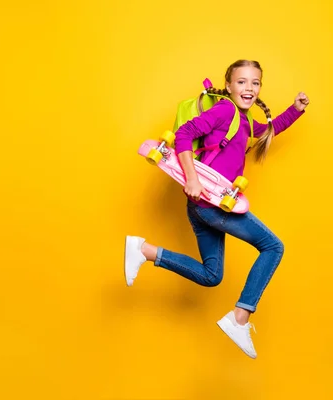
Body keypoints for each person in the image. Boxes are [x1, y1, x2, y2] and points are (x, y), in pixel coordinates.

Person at [124, 59, 309, 359]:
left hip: (202, 208)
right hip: (211, 204)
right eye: (242, 82)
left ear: (260, 88)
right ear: (229, 85)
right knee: (274, 247)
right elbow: (183, 134)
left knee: (211, 275)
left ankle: (144, 250)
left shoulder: (246, 122)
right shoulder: (225, 110)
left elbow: (267, 130)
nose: (249, 88)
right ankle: (240, 317)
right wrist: (193, 180)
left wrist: (295, 110)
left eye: (255, 83)